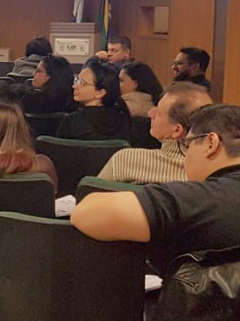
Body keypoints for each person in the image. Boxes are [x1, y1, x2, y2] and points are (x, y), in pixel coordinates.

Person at [72, 104, 240, 276]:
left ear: (211, 143)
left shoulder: (198, 199)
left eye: (188, 145)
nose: (186, 157)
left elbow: (87, 212)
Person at [98, 82, 212, 184]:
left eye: (158, 111)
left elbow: (90, 198)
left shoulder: (125, 161)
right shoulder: (217, 176)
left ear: (176, 131)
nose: (150, 113)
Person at [56, 60, 131, 141]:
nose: (74, 86)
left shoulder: (71, 122)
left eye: (82, 83)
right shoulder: (124, 118)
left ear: (100, 93)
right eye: (76, 80)